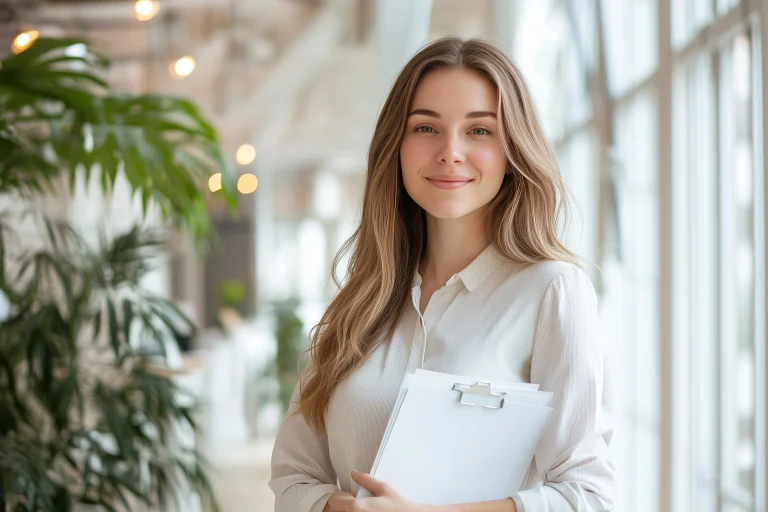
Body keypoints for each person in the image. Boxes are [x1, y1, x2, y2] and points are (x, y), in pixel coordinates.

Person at [269, 36, 616, 512]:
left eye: (479, 131)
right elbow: (292, 477)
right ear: (397, 146)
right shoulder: (360, 302)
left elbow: (587, 495)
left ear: (513, 151)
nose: (450, 152)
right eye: (426, 128)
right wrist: (339, 507)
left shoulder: (551, 291)